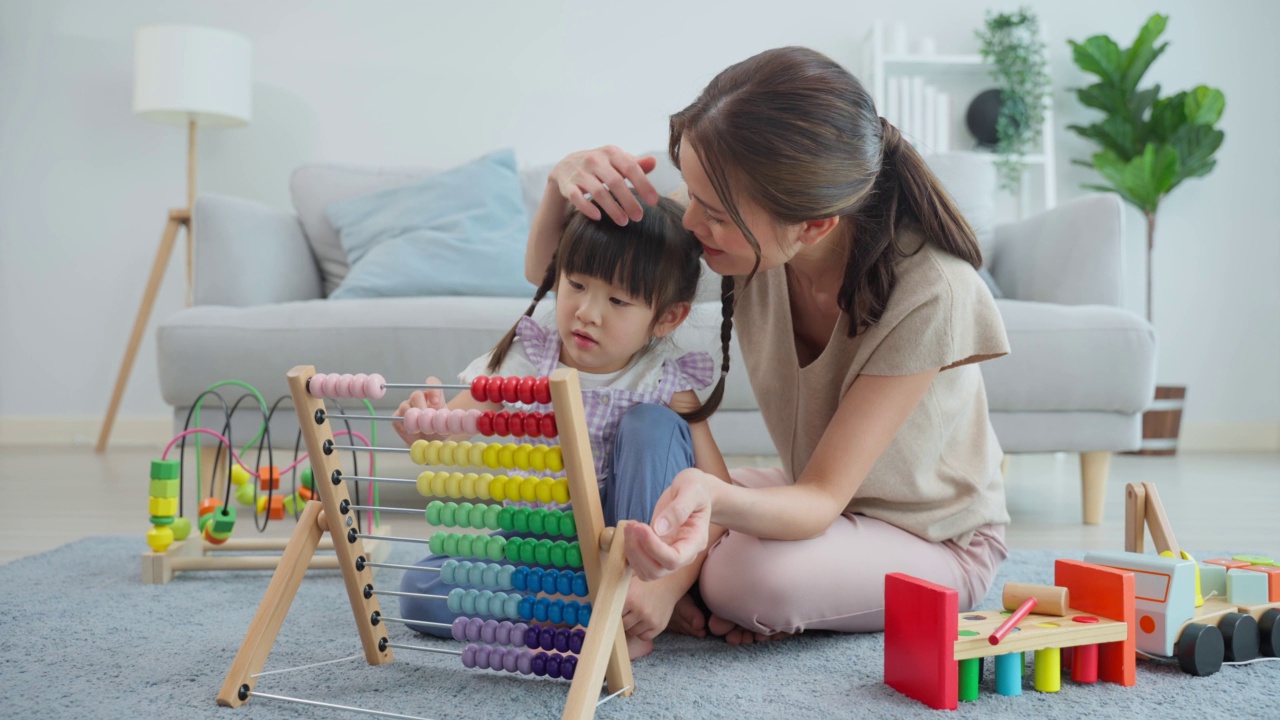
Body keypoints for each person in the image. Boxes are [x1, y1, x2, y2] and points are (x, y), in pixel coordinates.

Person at [527, 46, 1011, 646]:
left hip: (929, 536)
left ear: (813, 226)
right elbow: (557, 275)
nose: (687, 222)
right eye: (692, 194)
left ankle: (695, 585)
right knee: (642, 496)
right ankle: (688, 585)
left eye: (712, 212)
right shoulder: (741, 229)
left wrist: (701, 534)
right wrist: (560, 183)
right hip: (804, 492)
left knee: (741, 575)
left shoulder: (931, 290)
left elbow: (820, 501)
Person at [393, 195, 731, 658]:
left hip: (626, 541)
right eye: (576, 284)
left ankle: (632, 595)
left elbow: (717, 500)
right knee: (420, 590)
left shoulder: (665, 379)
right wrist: (424, 417)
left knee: (649, 425)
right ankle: (592, 611)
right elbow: (450, 427)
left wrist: (668, 586)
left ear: (667, 317)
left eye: (617, 300)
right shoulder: (529, 354)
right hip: (538, 541)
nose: (587, 312)